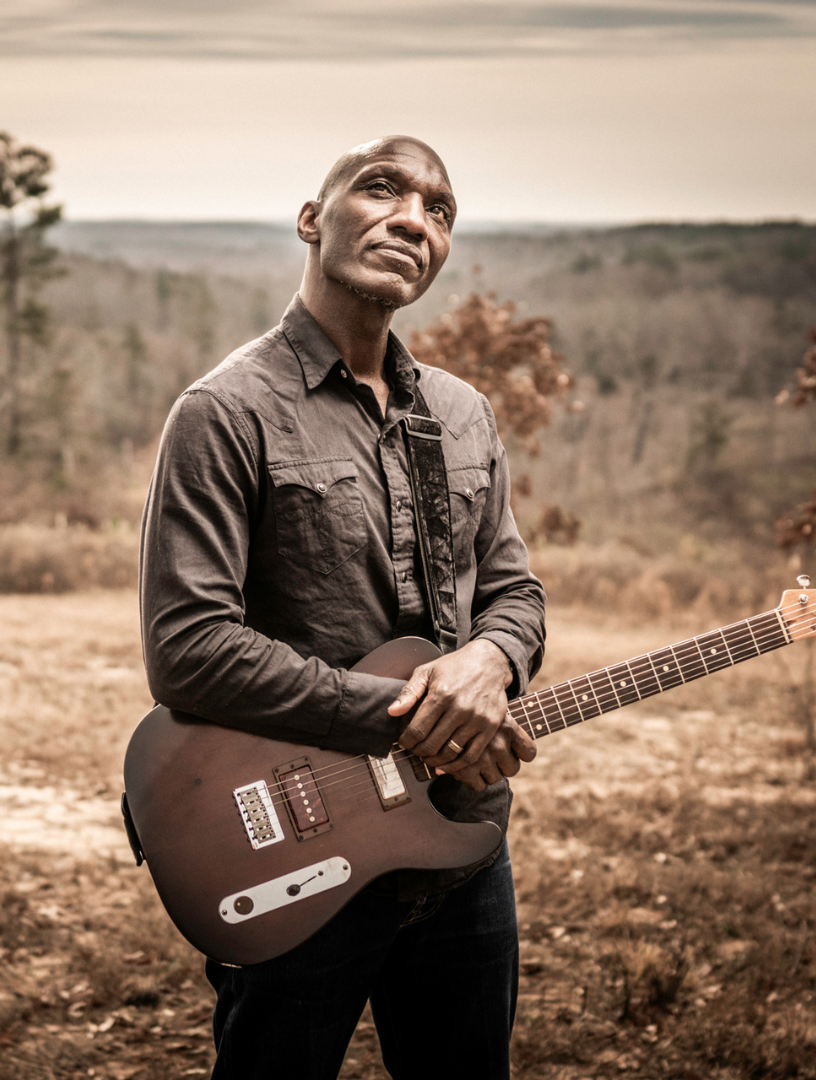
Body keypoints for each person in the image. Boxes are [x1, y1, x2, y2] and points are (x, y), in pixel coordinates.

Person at [139, 136, 546, 1080]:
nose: (414, 218)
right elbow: (189, 649)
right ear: (312, 219)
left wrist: (491, 662)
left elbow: (511, 588)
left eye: (440, 210)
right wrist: (413, 716)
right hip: (294, 842)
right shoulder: (226, 410)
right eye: (382, 189)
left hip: (464, 839)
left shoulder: (463, 414)